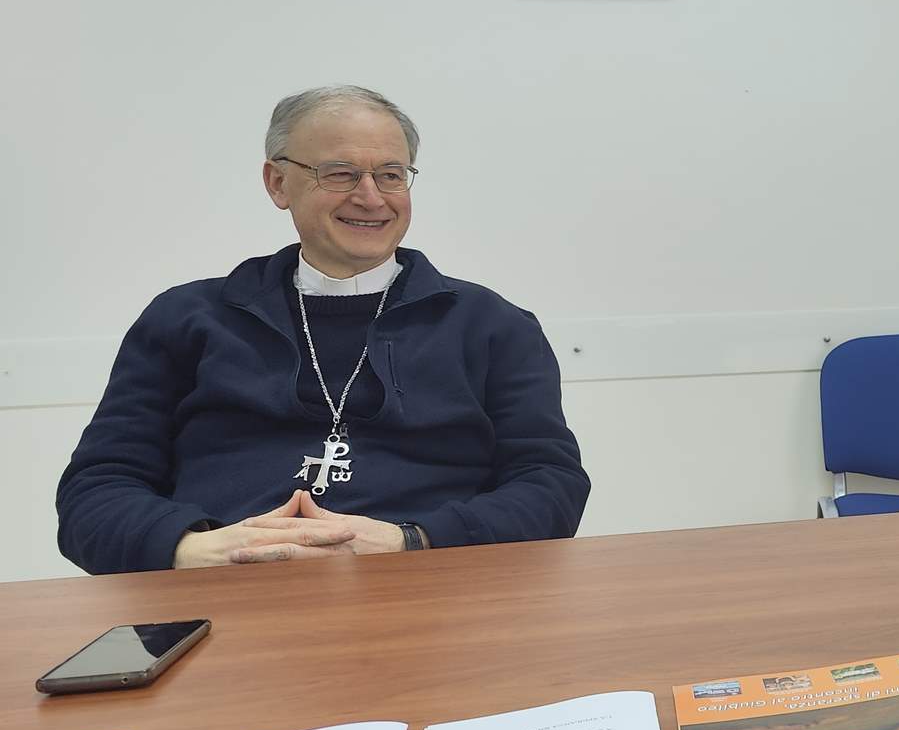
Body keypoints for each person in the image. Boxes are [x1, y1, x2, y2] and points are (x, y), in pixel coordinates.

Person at [56, 85, 591, 575]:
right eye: (340, 173)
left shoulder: (492, 325)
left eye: (391, 174)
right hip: (219, 593)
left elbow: (551, 485)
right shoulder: (185, 318)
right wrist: (195, 549)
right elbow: (96, 490)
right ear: (278, 183)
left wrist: (412, 540)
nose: (371, 197)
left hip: (426, 591)